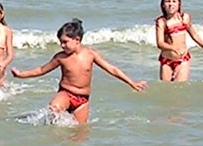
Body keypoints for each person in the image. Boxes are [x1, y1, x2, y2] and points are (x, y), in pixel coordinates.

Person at [11, 19, 147, 124]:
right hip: (66, 93)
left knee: (78, 135)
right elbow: (41, 70)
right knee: (53, 109)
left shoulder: (90, 55)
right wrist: (21, 74)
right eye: (60, 42)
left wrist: (131, 83)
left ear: (77, 40)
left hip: (83, 100)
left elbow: (111, 69)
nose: (62, 45)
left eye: (65, 42)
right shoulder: (61, 57)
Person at [155, 0, 203, 82]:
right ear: (163, 4)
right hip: (166, 61)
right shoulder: (161, 22)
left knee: (180, 86)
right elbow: (160, 43)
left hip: (182, 60)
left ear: (179, 4)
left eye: (174, 1)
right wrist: (173, 48)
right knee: (166, 88)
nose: (171, 4)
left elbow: (194, 35)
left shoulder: (184, 18)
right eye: (167, 1)